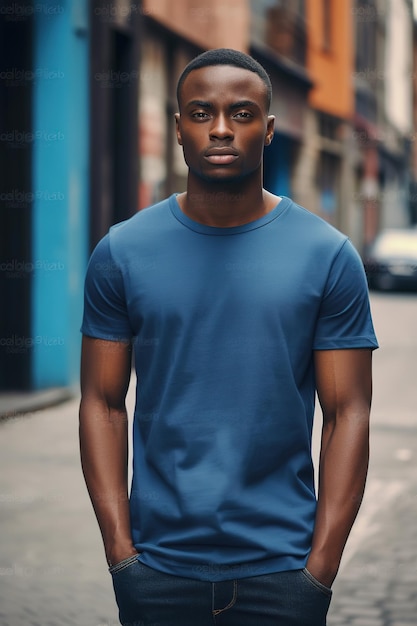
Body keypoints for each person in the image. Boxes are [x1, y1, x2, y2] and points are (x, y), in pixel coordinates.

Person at [79, 48, 378, 626]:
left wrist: (319, 570)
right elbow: (102, 402)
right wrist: (121, 555)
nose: (220, 128)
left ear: (268, 131)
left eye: (241, 114)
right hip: (158, 570)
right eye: (201, 112)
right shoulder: (121, 252)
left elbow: (348, 413)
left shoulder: (327, 256)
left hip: (284, 571)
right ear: (178, 129)